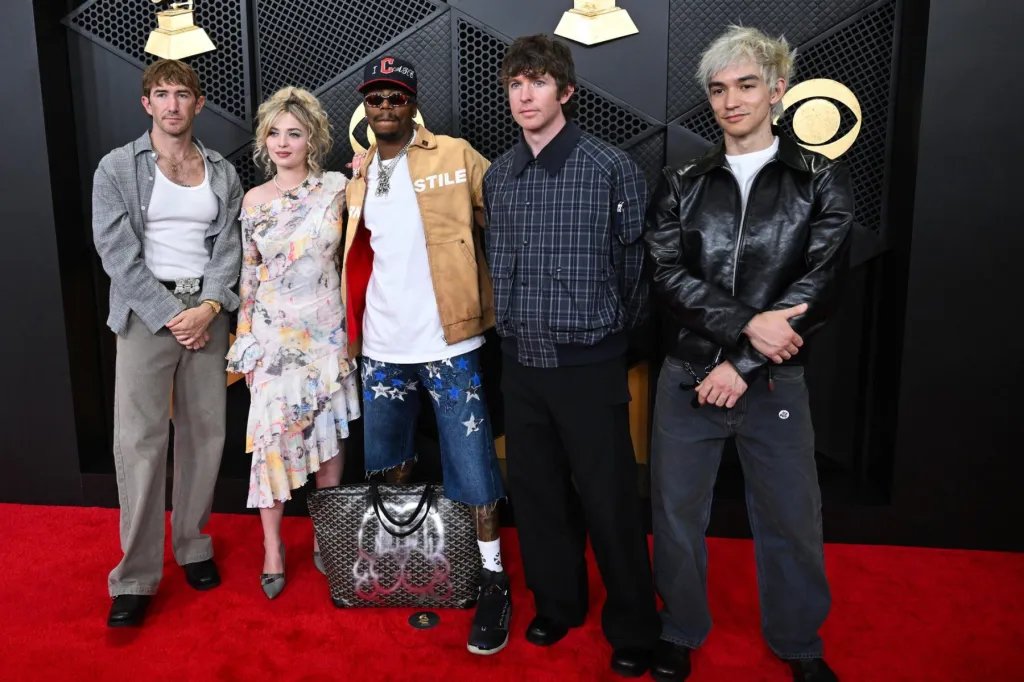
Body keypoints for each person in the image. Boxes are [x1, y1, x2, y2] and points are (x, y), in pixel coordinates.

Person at [644, 25, 852, 682]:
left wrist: (742, 365)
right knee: (675, 517)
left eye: (746, 85)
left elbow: (820, 286)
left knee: (792, 520)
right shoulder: (681, 182)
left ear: (777, 90)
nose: (731, 101)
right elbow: (666, 276)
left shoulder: (819, 181)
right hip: (687, 377)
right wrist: (743, 329)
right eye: (718, 89)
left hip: (772, 383)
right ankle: (679, 630)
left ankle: (799, 643)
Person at [483, 34, 660, 677]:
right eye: (515, 84)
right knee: (536, 495)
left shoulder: (610, 167)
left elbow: (636, 270)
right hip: (520, 363)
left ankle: (634, 626)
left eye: (537, 82)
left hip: (589, 362)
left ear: (566, 91)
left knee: (609, 499)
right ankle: (557, 604)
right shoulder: (498, 176)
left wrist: (607, 338)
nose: (525, 95)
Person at [340, 56, 509, 654]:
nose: (386, 106)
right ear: (366, 108)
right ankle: (405, 563)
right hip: (381, 345)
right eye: (376, 98)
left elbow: (507, 210)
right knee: (388, 461)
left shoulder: (455, 154)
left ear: (413, 103)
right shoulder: (359, 176)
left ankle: (493, 578)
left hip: (449, 340)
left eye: (397, 97)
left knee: (472, 463)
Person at [92, 59, 242, 627]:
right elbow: (116, 252)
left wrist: (208, 307)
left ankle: (193, 545)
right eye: (162, 94)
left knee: (205, 434)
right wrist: (171, 315)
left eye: (182, 94)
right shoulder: (116, 168)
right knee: (140, 442)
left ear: (198, 104)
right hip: (145, 316)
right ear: (146, 104)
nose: (172, 104)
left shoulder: (221, 171)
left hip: (206, 315)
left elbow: (229, 247)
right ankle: (135, 575)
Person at [225, 87, 360, 599]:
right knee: (271, 443)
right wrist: (244, 341)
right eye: (274, 133)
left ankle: (326, 536)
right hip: (272, 338)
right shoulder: (253, 201)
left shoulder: (337, 189)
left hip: (325, 333)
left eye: (294, 133)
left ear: (312, 140)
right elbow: (248, 275)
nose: (283, 142)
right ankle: (273, 548)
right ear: (264, 140)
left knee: (327, 437)